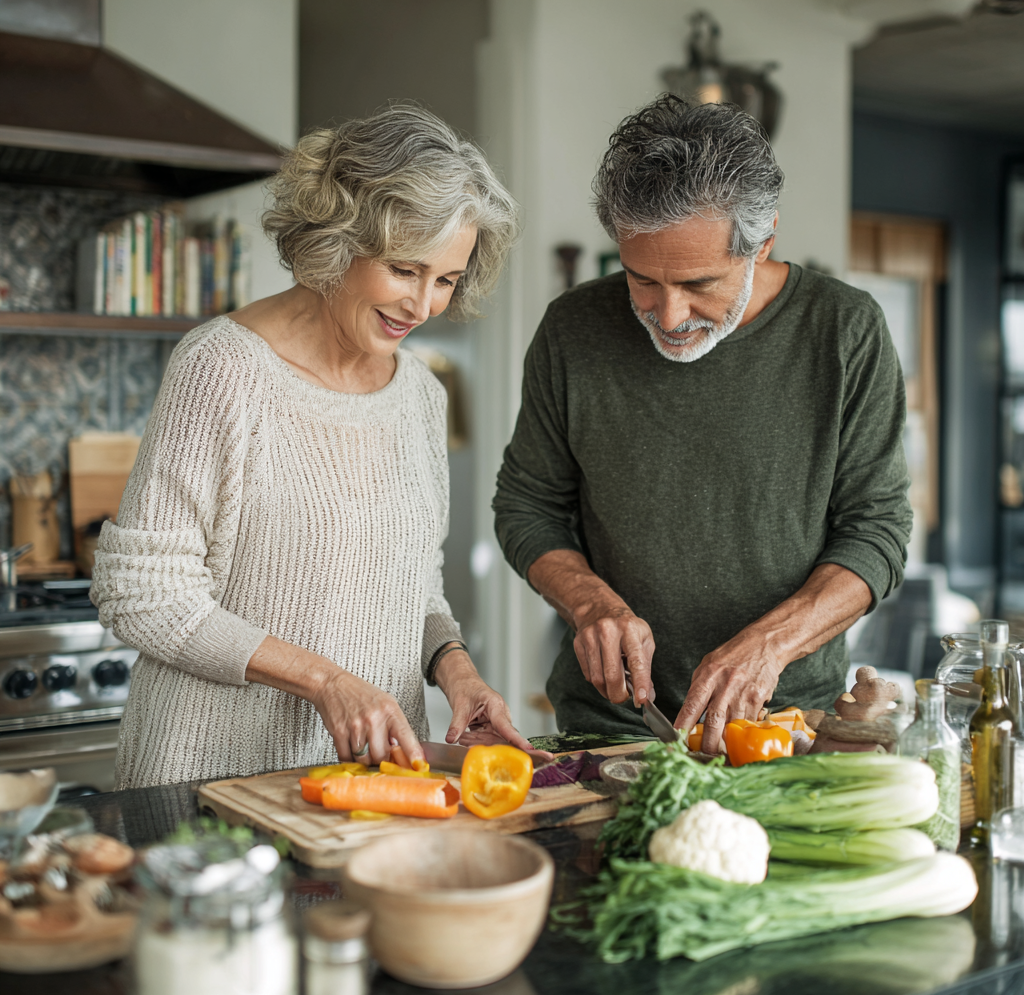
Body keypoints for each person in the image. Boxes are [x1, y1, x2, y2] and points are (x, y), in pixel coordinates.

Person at [91, 105, 548, 789]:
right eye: (404, 269)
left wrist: (456, 666)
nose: (423, 306)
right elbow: (143, 596)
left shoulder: (421, 394)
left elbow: (410, 587)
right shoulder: (221, 368)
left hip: (371, 785)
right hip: (212, 788)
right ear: (337, 243)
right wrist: (324, 680)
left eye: (447, 280)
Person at [493, 95, 912, 756]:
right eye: (641, 280)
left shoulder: (844, 331)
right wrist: (589, 603)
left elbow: (877, 533)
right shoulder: (571, 330)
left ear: (764, 239)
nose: (668, 313)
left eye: (698, 283)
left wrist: (769, 645)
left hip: (786, 726)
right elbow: (527, 506)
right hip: (612, 728)